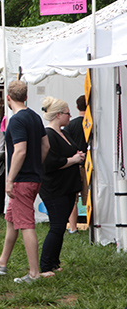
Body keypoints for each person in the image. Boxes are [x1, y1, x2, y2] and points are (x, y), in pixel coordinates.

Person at [0, 80, 49, 283]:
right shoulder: (35, 117)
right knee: (11, 220)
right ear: (26, 97)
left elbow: (20, 150)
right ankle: (2, 263)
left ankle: (34, 273)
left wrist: (10, 180)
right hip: (33, 177)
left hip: (22, 180)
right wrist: (36, 165)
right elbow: (45, 146)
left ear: (7, 98)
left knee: (26, 224)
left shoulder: (17, 120)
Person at [38, 97, 84, 275]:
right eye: (67, 113)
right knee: (57, 227)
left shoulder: (63, 133)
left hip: (66, 187)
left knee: (60, 226)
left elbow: (69, 152)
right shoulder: (49, 135)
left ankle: (54, 263)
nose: (70, 116)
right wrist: (72, 160)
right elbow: (50, 163)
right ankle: (45, 266)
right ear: (58, 115)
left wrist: (76, 155)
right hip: (54, 188)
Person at [63, 95, 87, 233]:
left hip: (75, 165)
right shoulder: (93, 123)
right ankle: (95, 225)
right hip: (92, 165)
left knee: (73, 198)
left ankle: (73, 227)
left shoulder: (70, 125)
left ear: (77, 107)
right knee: (93, 195)